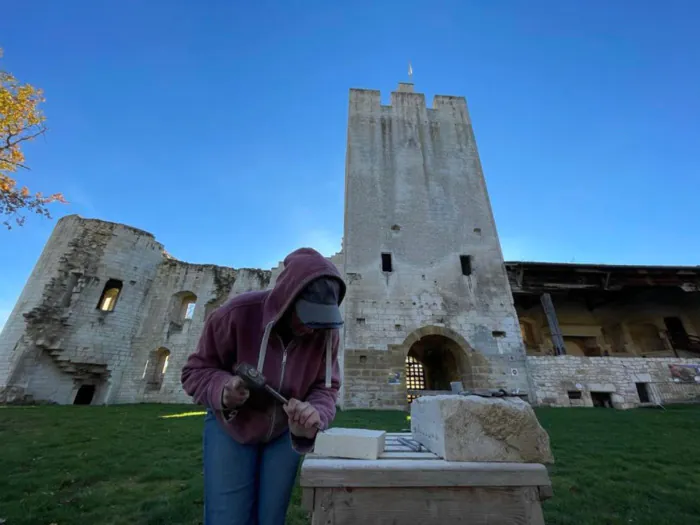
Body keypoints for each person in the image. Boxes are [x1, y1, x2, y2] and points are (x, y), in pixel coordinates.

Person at [181, 247, 346, 525]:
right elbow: (195, 371)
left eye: (319, 318)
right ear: (286, 298)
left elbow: (325, 387)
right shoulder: (236, 314)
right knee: (227, 518)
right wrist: (223, 388)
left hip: (286, 433)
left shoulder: (326, 331)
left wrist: (315, 412)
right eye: (306, 315)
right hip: (231, 427)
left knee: (270, 518)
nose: (311, 328)